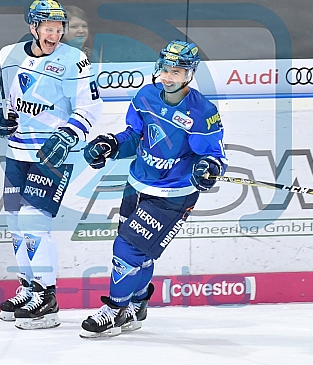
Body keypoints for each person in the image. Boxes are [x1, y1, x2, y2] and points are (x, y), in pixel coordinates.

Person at [79, 40, 227, 338]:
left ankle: (115, 310)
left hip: (172, 196)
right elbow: (134, 136)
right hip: (137, 184)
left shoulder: (202, 111)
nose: (169, 77)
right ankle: (137, 303)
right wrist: (111, 144)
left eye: (177, 72)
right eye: (166, 70)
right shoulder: (146, 95)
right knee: (141, 255)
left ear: (190, 74)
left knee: (126, 249)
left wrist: (208, 169)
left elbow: (214, 156)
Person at [0, 0, 102, 330]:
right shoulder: (8, 55)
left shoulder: (74, 60)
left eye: (59, 29)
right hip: (18, 152)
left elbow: (89, 108)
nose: (55, 35)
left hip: (52, 155)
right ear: (33, 27)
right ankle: (27, 286)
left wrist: (68, 134)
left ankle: (46, 297)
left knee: (34, 223)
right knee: (15, 223)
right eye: (48, 29)